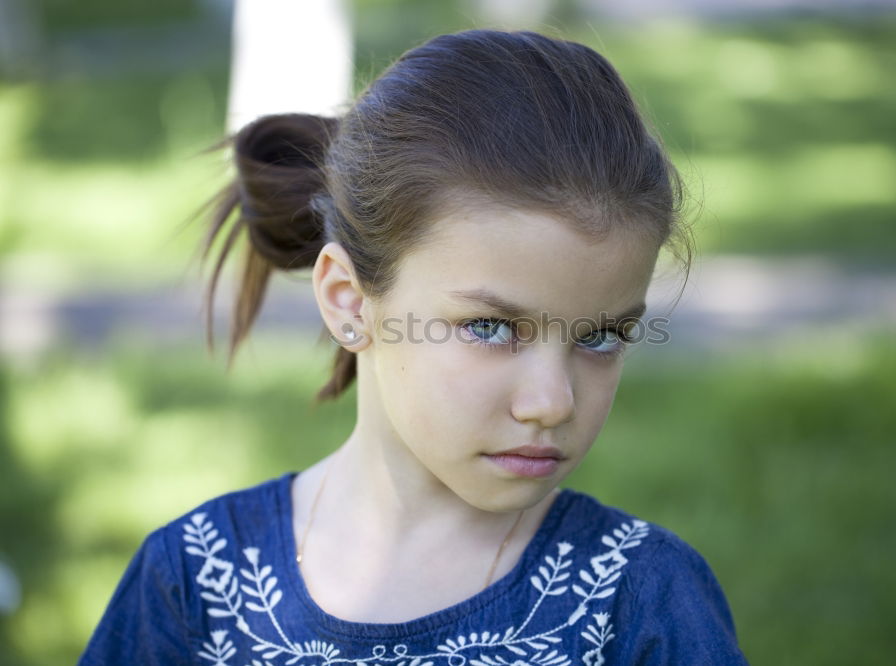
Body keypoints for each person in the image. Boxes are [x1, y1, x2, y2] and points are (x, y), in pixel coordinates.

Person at [79, 29, 748, 664]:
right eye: (490, 328)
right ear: (348, 299)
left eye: (601, 336)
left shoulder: (642, 603)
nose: (552, 401)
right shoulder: (196, 586)